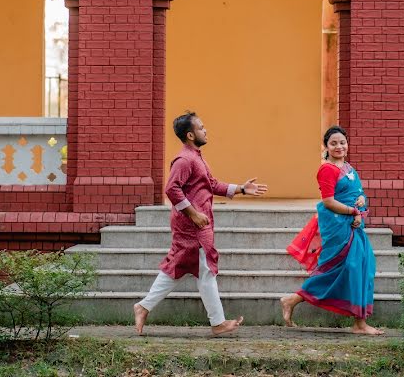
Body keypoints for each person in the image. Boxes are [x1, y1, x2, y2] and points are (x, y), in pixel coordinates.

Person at [133, 111, 269, 336]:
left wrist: (241, 188)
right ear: (190, 134)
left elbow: (211, 184)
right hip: (192, 226)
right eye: (201, 127)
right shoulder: (185, 160)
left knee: (180, 268)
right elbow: (171, 189)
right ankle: (217, 322)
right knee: (205, 269)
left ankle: (144, 306)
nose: (205, 130)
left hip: (198, 223)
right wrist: (193, 214)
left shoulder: (196, 157)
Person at [280, 125, 383, 335]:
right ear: (326, 146)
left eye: (342, 142)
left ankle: (358, 323)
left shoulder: (349, 169)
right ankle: (358, 323)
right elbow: (328, 201)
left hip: (354, 226)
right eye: (334, 143)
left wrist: (361, 202)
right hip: (338, 228)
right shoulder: (327, 169)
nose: (339, 146)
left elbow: (358, 192)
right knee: (338, 270)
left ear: (347, 144)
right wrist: (353, 211)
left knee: (362, 268)